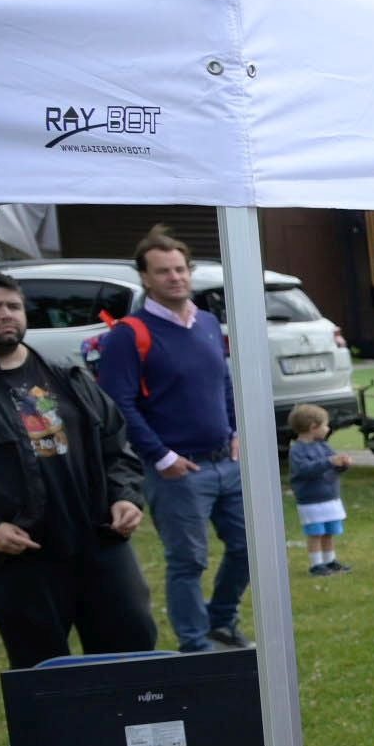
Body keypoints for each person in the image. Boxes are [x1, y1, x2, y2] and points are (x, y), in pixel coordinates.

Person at [0, 264, 152, 665]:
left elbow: (114, 443)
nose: (6, 314)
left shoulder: (64, 374)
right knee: (41, 668)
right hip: (19, 554)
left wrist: (124, 496)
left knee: (131, 649)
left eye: (14, 306)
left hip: (98, 539)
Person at [91, 225, 246, 652]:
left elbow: (224, 382)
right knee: (188, 561)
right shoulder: (129, 335)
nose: (175, 277)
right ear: (145, 277)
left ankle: (220, 621)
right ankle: (195, 646)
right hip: (178, 471)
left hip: (227, 461)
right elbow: (118, 404)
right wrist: (161, 456)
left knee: (249, 548)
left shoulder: (208, 323)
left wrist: (236, 431)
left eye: (180, 269)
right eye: (163, 271)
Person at [283, 403, 352, 574]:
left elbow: (333, 466)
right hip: (311, 502)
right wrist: (329, 462)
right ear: (313, 427)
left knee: (329, 532)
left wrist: (343, 464)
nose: (327, 429)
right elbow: (304, 470)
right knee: (316, 533)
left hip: (330, 498)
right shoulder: (297, 451)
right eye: (325, 425)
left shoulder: (324, 446)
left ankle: (330, 560)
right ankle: (316, 564)